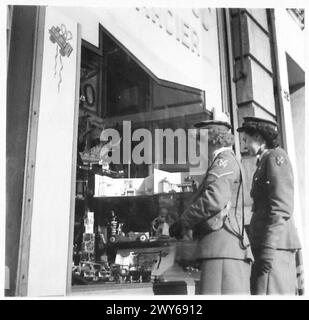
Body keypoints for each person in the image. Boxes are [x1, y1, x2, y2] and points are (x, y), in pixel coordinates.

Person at [169, 116, 253, 295]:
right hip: (223, 248)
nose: (200, 147)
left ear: (212, 140)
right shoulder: (225, 160)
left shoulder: (224, 161)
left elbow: (214, 198)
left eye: (201, 141)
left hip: (222, 248)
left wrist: (183, 222)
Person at [237, 116, 301, 295]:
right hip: (269, 244)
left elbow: (281, 206)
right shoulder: (264, 160)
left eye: (246, 139)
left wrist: (268, 247)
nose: (244, 145)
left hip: (275, 246)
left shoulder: (275, 157)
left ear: (258, 137)